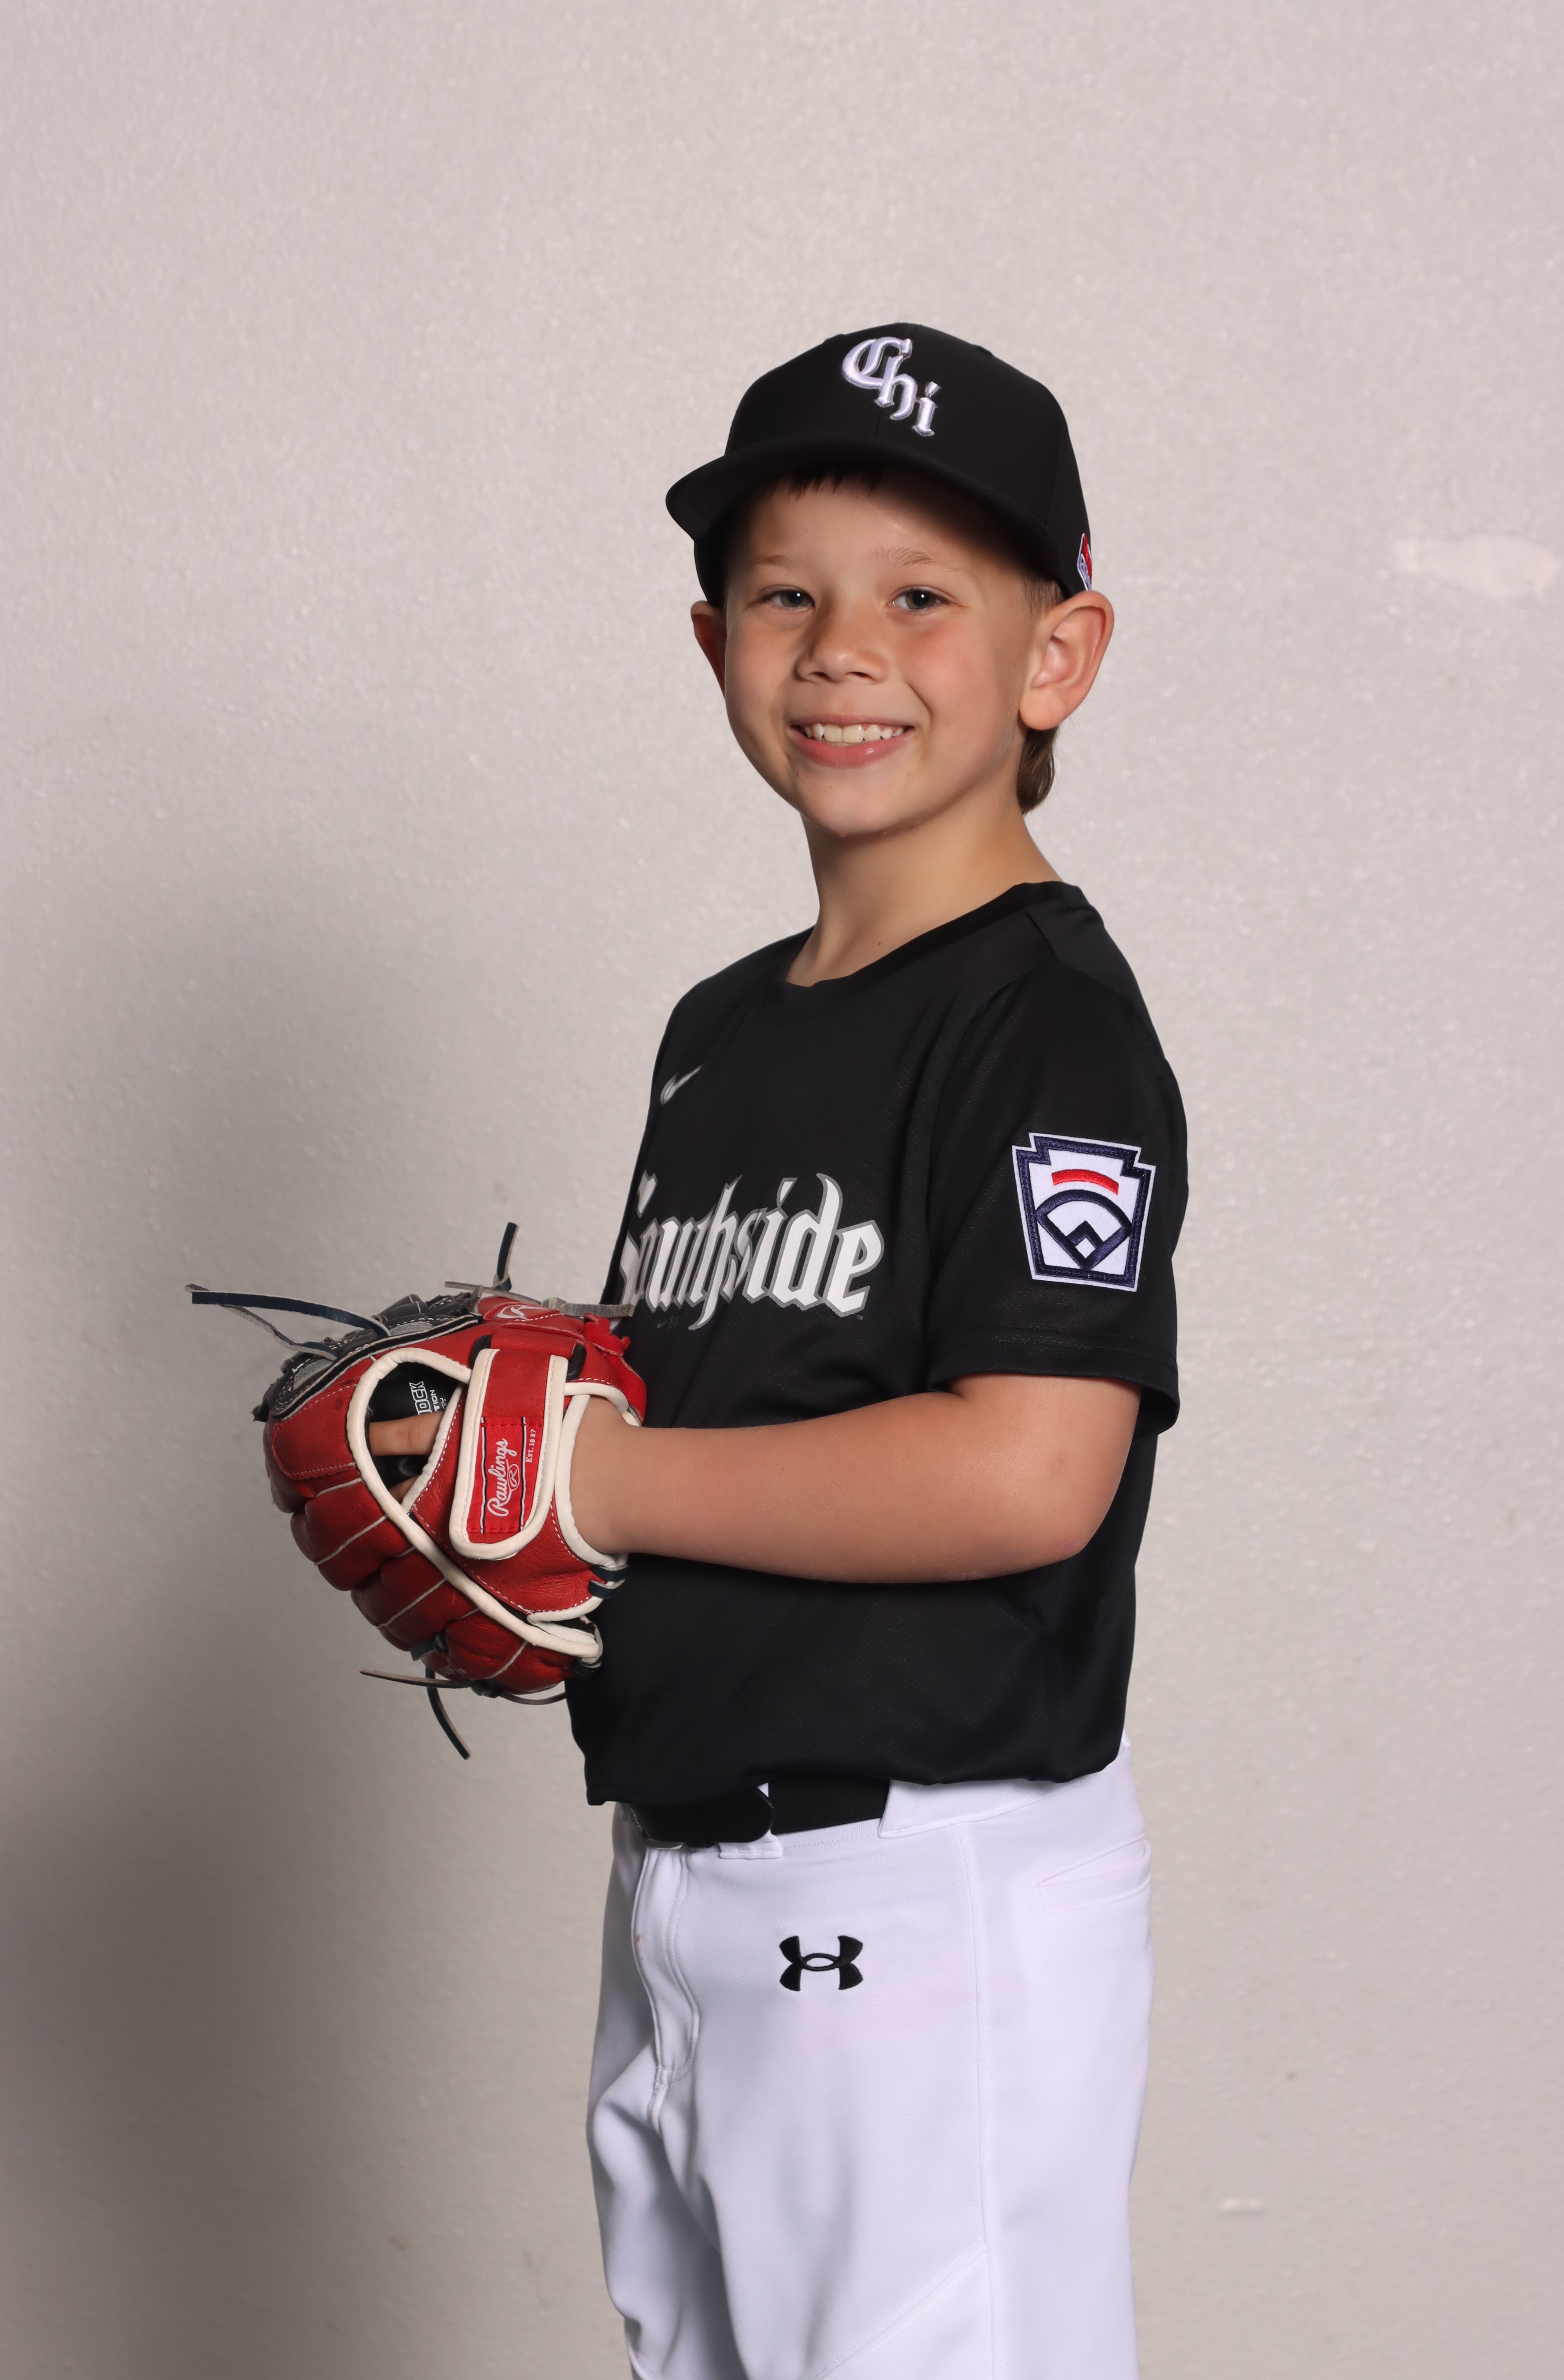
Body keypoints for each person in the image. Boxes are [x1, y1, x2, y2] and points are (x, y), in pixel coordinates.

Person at [372, 322, 1187, 2380]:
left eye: (921, 598)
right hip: (685, 1874)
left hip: (920, 1884)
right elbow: (736, 1408)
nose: (842, 651)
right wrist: (526, 1511)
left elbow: (1029, 1468)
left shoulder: (1043, 1026)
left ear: (1057, 656)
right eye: (783, 595)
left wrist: (592, 1482)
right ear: (712, 642)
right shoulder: (721, 1029)